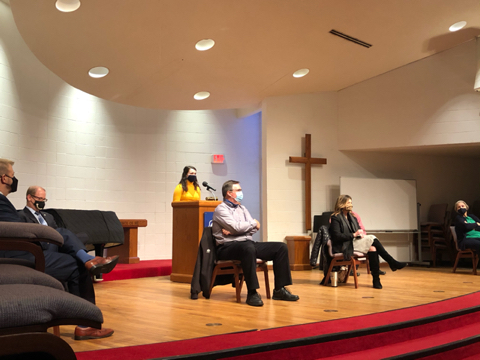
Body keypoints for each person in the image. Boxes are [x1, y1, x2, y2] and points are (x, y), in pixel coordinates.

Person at [0, 158, 114, 340]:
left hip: (21, 251)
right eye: (13, 176)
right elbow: (13, 231)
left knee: (65, 236)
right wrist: (43, 232)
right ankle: (86, 324)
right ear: (4, 178)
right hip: (19, 256)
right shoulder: (2, 202)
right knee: (76, 265)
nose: (14, 180)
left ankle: (87, 259)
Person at [212, 180, 299, 306]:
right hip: (227, 247)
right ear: (229, 193)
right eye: (238, 190)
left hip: (246, 243)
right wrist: (249, 224)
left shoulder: (242, 208)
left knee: (281, 247)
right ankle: (252, 292)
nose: (241, 192)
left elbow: (254, 228)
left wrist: (237, 230)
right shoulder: (221, 209)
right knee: (248, 248)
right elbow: (240, 226)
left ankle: (279, 289)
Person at [329, 195, 406, 289]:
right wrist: (353, 235)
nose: (351, 204)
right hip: (343, 245)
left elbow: (357, 229)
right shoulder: (335, 218)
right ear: (342, 204)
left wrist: (360, 234)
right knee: (372, 238)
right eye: (348, 202)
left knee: (373, 248)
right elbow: (336, 237)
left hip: (354, 242)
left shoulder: (352, 217)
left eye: (351, 202)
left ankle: (376, 279)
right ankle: (392, 262)